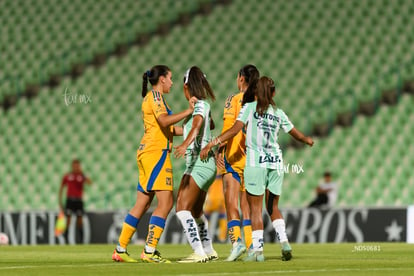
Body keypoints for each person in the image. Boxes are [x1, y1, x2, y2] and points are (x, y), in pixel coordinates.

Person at [201, 76, 314, 262]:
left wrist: (213, 143)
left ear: (256, 92)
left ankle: (258, 252)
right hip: (276, 162)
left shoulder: (249, 108)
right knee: (273, 207)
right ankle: (284, 242)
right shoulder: (279, 113)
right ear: (274, 93)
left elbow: (234, 130)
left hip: (256, 163)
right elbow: (296, 134)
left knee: (255, 210)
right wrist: (307, 140)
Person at [112, 65, 196, 263]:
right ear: (162, 80)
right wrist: (188, 111)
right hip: (156, 154)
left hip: (148, 153)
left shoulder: (154, 99)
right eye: (171, 78)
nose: (173, 82)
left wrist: (190, 130)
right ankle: (149, 250)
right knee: (166, 203)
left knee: (143, 203)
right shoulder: (156, 97)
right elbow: (164, 121)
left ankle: (120, 249)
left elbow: (167, 128)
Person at [174, 66, 218, 263]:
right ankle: (208, 250)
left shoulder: (200, 106)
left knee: (182, 208)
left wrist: (184, 144)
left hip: (199, 164)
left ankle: (198, 252)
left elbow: (198, 125)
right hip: (205, 164)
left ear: (186, 86)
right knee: (196, 211)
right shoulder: (201, 106)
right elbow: (209, 125)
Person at [216, 64, 259, 261]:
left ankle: (236, 243)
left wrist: (219, 148)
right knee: (248, 207)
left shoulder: (233, 100)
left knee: (231, 203)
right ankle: (252, 247)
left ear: (241, 79)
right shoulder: (260, 101)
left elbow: (229, 126)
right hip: (253, 160)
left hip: (233, 158)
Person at [58, 159, 92, 244]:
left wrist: (83, 174)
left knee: (79, 221)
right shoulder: (67, 176)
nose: (76, 167)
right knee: (68, 220)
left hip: (79, 200)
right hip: (70, 200)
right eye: (74, 165)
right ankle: (66, 240)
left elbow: (89, 183)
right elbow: (61, 189)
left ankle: (81, 241)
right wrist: (60, 202)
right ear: (72, 166)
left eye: (77, 166)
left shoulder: (82, 176)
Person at [203, 170, 227, 243]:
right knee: (222, 216)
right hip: (221, 197)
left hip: (211, 198)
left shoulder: (211, 170)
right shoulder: (223, 169)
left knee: (206, 216)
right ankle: (222, 238)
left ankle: (205, 236)